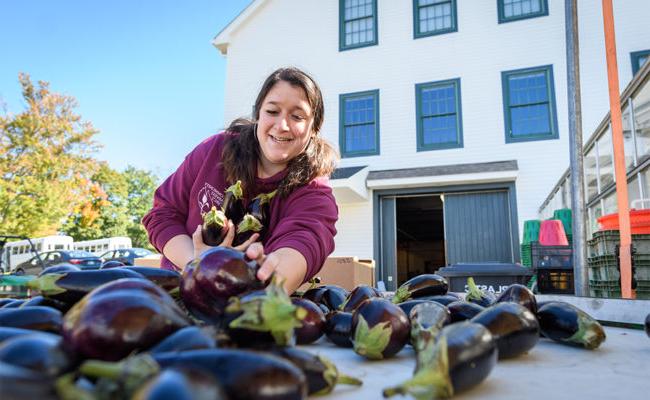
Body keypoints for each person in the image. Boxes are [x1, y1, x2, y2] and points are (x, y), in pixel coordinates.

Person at [142, 67, 339, 293]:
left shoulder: (313, 190)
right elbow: (163, 214)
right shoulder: (214, 151)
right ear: (258, 115)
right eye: (272, 111)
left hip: (245, 304)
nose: (282, 125)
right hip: (178, 292)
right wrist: (199, 264)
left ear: (314, 128)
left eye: (297, 116)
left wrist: (274, 279)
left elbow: (306, 239)